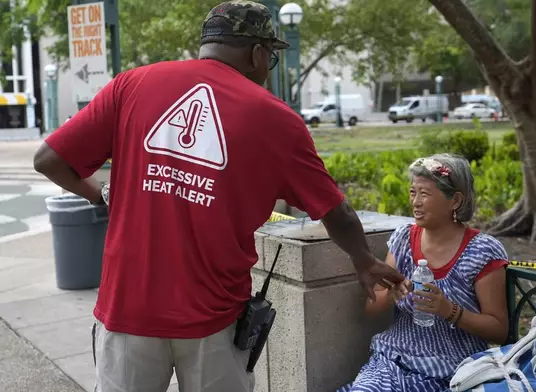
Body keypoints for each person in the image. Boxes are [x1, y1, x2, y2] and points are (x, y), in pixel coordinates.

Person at [32, 2, 406, 391]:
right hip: (214, 319)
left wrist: (102, 194)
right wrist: (363, 260)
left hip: (128, 308)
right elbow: (337, 211)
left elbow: (49, 160)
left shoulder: (133, 84)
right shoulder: (276, 119)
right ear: (258, 53)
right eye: (271, 57)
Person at [338, 153, 510, 392]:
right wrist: (391, 294)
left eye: (425, 194)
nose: (415, 202)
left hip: (453, 372)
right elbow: (371, 307)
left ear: (455, 201)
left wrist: (448, 310)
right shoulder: (403, 239)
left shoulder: (482, 251)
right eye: (412, 192)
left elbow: (499, 330)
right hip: (392, 362)